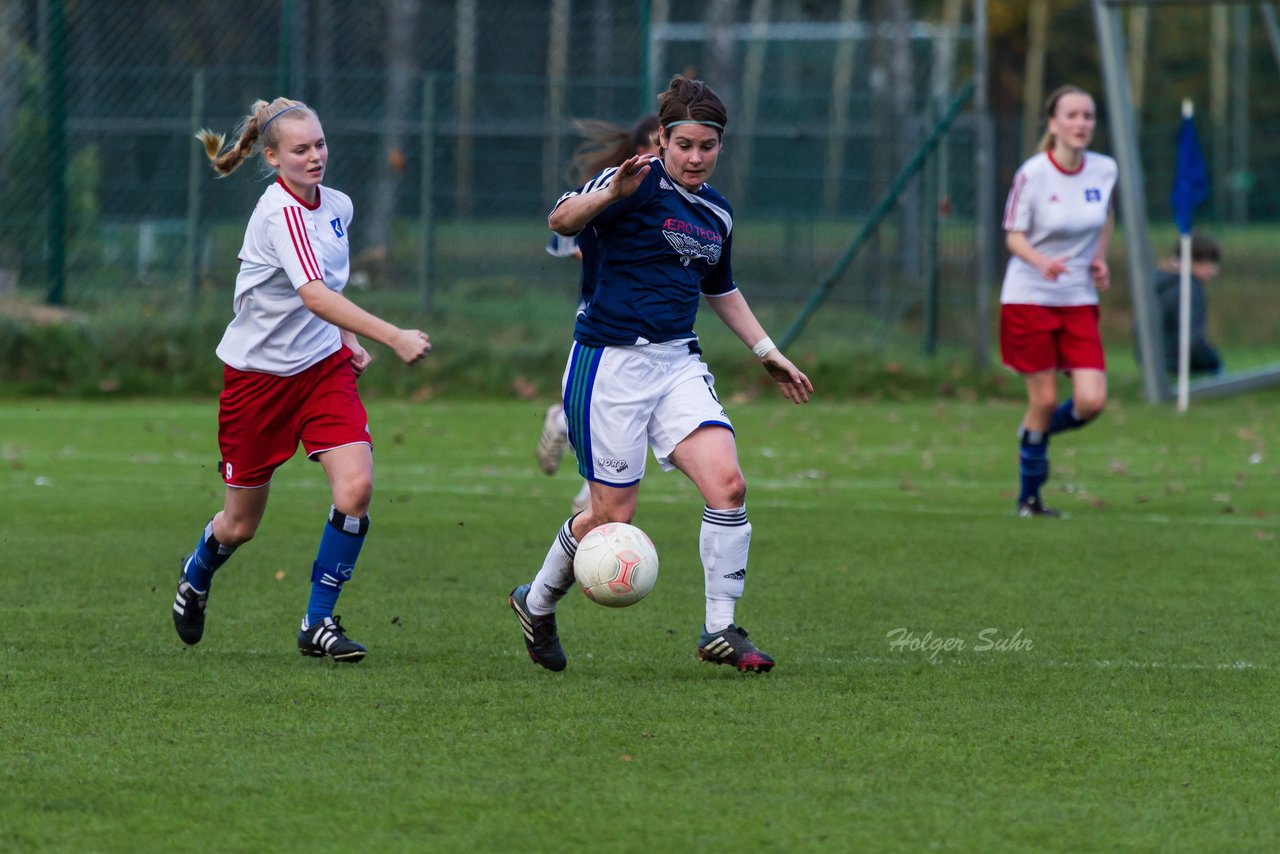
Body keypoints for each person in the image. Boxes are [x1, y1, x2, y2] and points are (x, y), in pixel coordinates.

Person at [509, 74, 813, 674]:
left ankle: (720, 630)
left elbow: (719, 287)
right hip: (609, 364)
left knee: (728, 485)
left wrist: (766, 350)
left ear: (720, 146)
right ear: (664, 142)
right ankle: (537, 601)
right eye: (685, 146)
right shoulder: (636, 181)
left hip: (677, 362)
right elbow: (561, 220)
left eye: (708, 146)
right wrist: (609, 195)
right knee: (610, 517)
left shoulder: (717, 212)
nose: (696, 157)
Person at [172, 98, 432, 662]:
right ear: (272, 157)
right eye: (300, 149)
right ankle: (197, 572)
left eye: (319, 144)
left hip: (320, 372)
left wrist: (347, 338)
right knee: (240, 526)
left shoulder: (337, 204)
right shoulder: (277, 214)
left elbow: (324, 295)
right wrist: (392, 335)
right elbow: (313, 294)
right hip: (257, 381)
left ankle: (318, 621)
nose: (315, 156)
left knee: (356, 489)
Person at [999, 84, 1117, 518]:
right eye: (1072, 115)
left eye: (1088, 116)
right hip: (1029, 298)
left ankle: (1035, 436)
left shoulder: (1105, 169)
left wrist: (1100, 258)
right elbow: (1013, 233)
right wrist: (1041, 261)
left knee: (1091, 402)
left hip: (1078, 298)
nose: (1081, 123)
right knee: (1044, 400)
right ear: (1053, 124)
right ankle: (1029, 498)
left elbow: (1105, 215)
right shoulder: (1033, 173)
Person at [536, 114, 662, 516]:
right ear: (641, 151)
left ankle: (588, 500)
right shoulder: (612, 188)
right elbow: (564, 233)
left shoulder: (684, 197)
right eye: (661, 145)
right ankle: (562, 424)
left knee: (639, 415)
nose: (674, 153)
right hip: (603, 318)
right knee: (600, 417)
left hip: (656, 328)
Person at [1154, 233, 1222, 375]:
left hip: (1154, 365)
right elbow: (1193, 341)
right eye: (1210, 264)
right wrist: (1214, 362)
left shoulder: (1160, 284)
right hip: (1178, 366)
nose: (1215, 272)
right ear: (1192, 262)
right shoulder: (1188, 289)